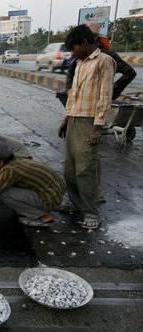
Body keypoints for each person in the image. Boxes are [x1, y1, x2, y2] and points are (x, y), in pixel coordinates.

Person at [58, 25, 116, 230]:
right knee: (70, 169)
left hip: (89, 121)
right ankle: (75, 204)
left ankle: (92, 212)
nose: (72, 53)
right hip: (74, 118)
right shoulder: (81, 63)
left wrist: (97, 127)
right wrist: (66, 119)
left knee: (86, 169)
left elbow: (105, 96)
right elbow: (74, 94)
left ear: (84, 43)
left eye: (73, 48)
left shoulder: (104, 62)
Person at [66, 21, 136, 101]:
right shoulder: (79, 55)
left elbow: (130, 73)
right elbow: (70, 77)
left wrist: (113, 91)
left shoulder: (107, 56)